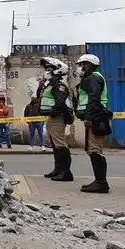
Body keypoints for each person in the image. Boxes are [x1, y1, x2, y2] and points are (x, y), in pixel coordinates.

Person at [75, 54, 111, 194]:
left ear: (92, 65)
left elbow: (94, 98)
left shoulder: (94, 78)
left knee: (95, 150)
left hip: (96, 117)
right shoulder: (90, 78)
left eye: (85, 64)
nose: (82, 67)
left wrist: (89, 117)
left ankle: (101, 183)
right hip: (96, 116)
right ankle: (99, 181)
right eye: (81, 64)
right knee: (92, 150)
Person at [39, 57, 75, 182]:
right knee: (55, 144)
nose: (47, 71)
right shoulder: (50, 84)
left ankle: (66, 172)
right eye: (47, 69)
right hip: (51, 116)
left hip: (57, 117)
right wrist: (41, 84)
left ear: (58, 70)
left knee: (60, 144)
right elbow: (40, 96)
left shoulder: (59, 84)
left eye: (50, 69)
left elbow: (60, 101)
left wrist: (54, 113)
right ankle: (58, 169)